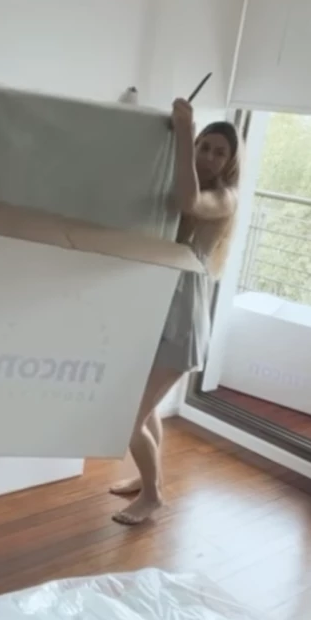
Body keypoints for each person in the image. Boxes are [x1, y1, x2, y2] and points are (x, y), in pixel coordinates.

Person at [111, 96, 240, 526]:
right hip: (160, 307)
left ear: (230, 163)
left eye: (219, 153)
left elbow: (188, 202)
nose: (209, 157)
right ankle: (148, 478)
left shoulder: (224, 197)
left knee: (127, 417)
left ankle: (153, 496)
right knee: (145, 410)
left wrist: (185, 130)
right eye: (204, 146)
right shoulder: (190, 178)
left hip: (182, 318)